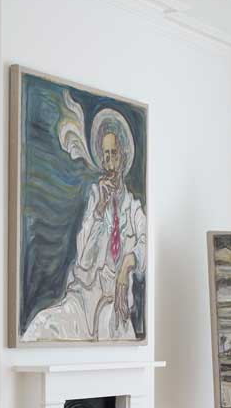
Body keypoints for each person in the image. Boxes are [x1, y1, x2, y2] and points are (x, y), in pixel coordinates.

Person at [24, 113, 147, 341]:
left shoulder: (134, 209)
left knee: (112, 334)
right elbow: (83, 260)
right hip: (82, 302)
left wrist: (126, 265)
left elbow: (145, 245)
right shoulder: (95, 200)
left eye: (114, 154)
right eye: (105, 155)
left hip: (113, 307)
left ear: (123, 157)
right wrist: (99, 210)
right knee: (42, 325)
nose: (109, 163)